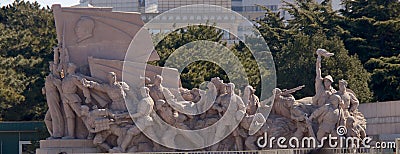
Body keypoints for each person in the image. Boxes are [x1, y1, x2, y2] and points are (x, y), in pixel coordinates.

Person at [61, 63, 91, 139]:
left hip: (73, 98)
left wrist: (87, 97)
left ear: (71, 69)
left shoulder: (74, 78)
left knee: (82, 115)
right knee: (69, 117)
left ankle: (91, 131)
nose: (67, 69)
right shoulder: (65, 78)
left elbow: (83, 87)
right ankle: (71, 135)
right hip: (65, 98)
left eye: (68, 67)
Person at [43, 61, 64, 139]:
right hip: (49, 96)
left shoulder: (55, 77)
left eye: (52, 66)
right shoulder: (49, 77)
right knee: (47, 119)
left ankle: (58, 133)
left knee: (55, 114)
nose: (51, 67)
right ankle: (54, 133)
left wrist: (63, 97)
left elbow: (59, 88)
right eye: (50, 66)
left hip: (53, 95)